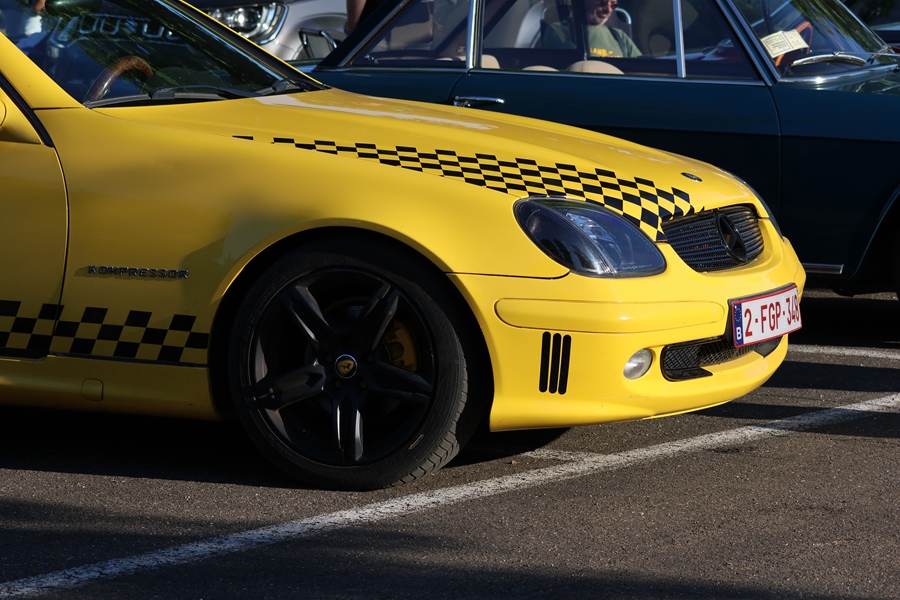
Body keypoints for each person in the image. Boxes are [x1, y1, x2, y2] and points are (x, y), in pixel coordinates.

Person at [543, 0, 641, 59]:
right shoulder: (559, 31)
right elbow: (577, 68)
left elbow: (640, 68)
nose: (608, 10)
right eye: (603, 2)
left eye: (613, 4)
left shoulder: (620, 36)